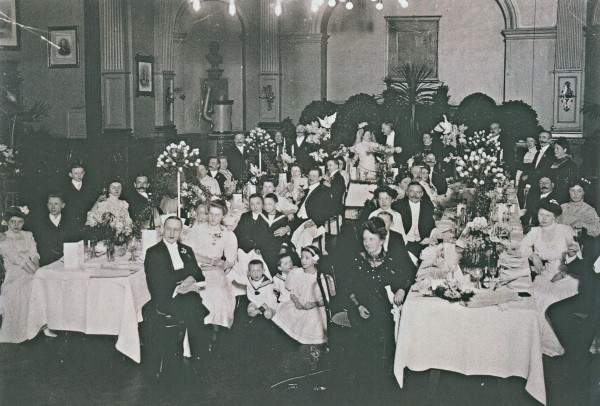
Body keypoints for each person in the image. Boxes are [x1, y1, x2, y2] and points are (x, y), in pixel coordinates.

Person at [340, 218, 417, 399]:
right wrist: (358, 306)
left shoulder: (392, 259)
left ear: (381, 240)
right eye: (365, 239)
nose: (367, 243)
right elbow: (347, 290)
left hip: (386, 310)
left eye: (371, 239)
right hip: (361, 311)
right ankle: (368, 384)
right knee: (372, 340)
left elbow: (408, 276)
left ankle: (387, 379)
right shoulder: (356, 260)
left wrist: (401, 290)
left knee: (391, 331)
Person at [518, 199, 580, 356]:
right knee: (536, 293)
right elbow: (521, 247)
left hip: (568, 273)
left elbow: (576, 255)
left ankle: (560, 342)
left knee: (552, 296)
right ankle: (537, 342)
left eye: (547, 215)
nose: (543, 218)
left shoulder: (565, 230)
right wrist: (533, 255)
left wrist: (564, 271)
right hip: (547, 272)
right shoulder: (535, 232)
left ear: (555, 217)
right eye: (540, 214)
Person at [144, 217, 208, 358]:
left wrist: (190, 279)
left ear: (181, 232)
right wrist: (178, 286)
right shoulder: (153, 253)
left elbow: (199, 276)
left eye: (176, 229)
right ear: (162, 230)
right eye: (169, 229)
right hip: (166, 298)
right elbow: (155, 282)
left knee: (193, 303)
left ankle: (196, 354)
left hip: (187, 296)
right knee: (194, 307)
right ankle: (196, 355)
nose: (172, 233)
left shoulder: (187, 250)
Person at [0, 206, 56, 342]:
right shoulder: (3, 239)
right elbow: (17, 260)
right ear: (7, 222)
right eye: (13, 221)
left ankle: (45, 325)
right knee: (29, 288)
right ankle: (28, 330)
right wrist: (36, 273)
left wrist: (37, 267)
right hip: (15, 274)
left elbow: (34, 253)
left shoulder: (28, 234)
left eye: (19, 222)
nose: (16, 225)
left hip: (32, 268)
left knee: (48, 284)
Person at [184, 201, 238, 330]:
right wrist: (211, 261)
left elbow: (230, 261)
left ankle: (215, 330)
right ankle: (193, 329)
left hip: (214, 272)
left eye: (217, 215)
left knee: (215, 292)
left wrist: (222, 265)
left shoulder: (227, 234)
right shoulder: (197, 229)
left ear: (223, 216)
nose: (213, 218)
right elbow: (189, 253)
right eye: (211, 214)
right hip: (194, 268)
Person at [272, 246, 329, 345]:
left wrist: (313, 304)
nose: (303, 260)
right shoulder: (296, 272)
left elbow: (326, 300)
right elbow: (292, 292)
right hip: (298, 305)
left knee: (312, 325)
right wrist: (296, 301)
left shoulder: (320, 277)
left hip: (313, 308)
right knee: (284, 315)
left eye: (307, 258)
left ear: (315, 260)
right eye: (302, 257)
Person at [392, 182, 435, 258]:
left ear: (422, 194)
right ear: (407, 192)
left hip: (423, 243)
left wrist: (431, 238)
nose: (414, 195)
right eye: (411, 191)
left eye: (418, 192)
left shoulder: (428, 206)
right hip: (405, 244)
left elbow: (431, 224)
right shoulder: (398, 206)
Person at [32, 193, 75, 267]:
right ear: (47, 205)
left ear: (63, 205)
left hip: (65, 261)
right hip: (46, 262)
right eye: (50, 204)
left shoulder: (69, 222)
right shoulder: (39, 223)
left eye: (56, 204)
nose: (53, 207)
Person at [62, 163, 96, 238]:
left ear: (84, 173)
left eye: (81, 173)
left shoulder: (90, 188)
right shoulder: (64, 188)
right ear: (70, 174)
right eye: (76, 173)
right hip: (69, 223)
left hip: (86, 223)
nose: (79, 175)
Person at [260, 193, 291, 272]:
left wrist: (284, 246)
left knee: (276, 264)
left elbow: (286, 236)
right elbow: (258, 233)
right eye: (265, 204)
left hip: (277, 247)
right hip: (263, 247)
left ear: (276, 204)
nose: (267, 206)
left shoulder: (282, 218)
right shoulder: (261, 216)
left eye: (270, 204)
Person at [549, 137, 578, 203]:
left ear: (564, 150)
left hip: (563, 195)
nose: (555, 150)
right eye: (554, 148)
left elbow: (571, 182)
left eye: (557, 148)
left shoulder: (571, 164)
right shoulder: (553, 162)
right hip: (551, 192)